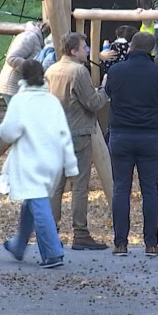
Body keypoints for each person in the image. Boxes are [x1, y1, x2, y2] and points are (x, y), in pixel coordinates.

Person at [0, 59, 78, 269]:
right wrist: (71, 166)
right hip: (52, 160)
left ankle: (53, 252)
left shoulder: (20, 101)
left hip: (29, 160)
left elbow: (8, 132)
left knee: (38, 203)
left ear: (22, 78)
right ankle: (18, 245)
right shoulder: (52, 101)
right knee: (32, 202)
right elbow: (64, 134)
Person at [105, 31, 158, 257]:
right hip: (150, 135)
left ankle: (120, 243)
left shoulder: (116, 71)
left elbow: (108, 93)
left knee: (121, 189)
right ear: (151, 50)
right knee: (150, 189)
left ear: (131, 46)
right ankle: (151, 243)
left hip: (121, 133)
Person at [45, 32, 110, 250]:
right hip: (78, 132)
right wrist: (105, 89)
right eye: (84, 47)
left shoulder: (51, 70)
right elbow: (92, 103)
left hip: (55, 133)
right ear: (74, 51)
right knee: (80, 185)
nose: (88, 51)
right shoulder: (79, 71)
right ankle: (80, 232)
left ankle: (52, 232)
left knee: (56, 186)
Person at [0, 21, 50, 104]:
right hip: (12, 86)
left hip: (21, 86)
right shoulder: (29, 37)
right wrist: (32, 68)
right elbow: (12, 58)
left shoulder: (38, 39)